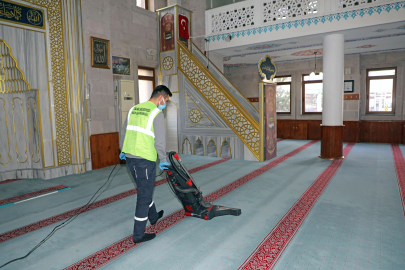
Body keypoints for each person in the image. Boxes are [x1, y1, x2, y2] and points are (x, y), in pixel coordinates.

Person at [119, 85, 172, 243]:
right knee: (144, 195)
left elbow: (124, 131)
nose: (165, 104)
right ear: (161, 97)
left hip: (130, 157)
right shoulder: (156, 113)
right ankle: (139, 234)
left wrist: (122, 149)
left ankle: (153, 217)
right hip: (144, 158)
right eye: (166, 101)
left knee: (144, 188)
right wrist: (163, 160)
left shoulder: (134, 109)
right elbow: (160, 141)